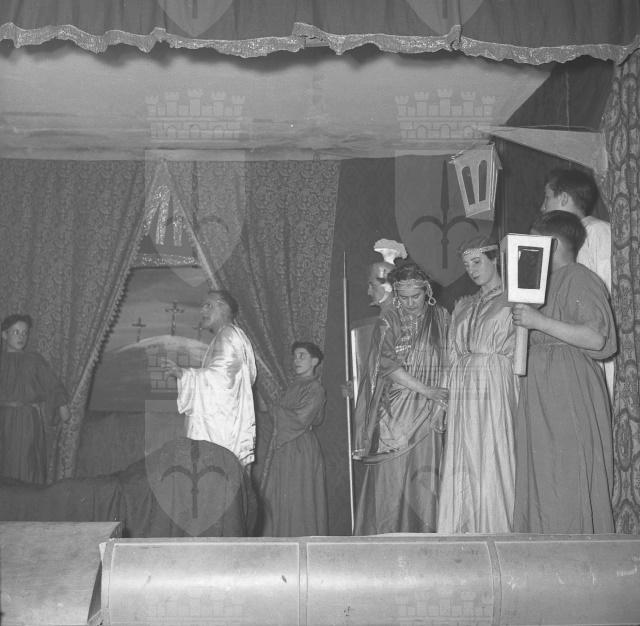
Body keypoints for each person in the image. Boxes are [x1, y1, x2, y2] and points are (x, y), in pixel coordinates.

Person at [512, 211, 616, 533]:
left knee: (566, 472)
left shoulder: (579, 277)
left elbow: (596, 338)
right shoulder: (540, 285)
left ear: (553, 244)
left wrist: (539, 322)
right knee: (542, 473)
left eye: (535, 242)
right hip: (541, 388)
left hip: (567, 388)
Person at [353, 263, 449, 535]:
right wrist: (427, 390)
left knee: (425, 478)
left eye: (415, 296)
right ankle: (385, 541)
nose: (410, 303)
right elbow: (386, 365)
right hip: (395, 412)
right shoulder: (390, 319)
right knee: (390, 479)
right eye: (403, 297)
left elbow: (449, 360)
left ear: (427, 291)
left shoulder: (442, 317)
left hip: (430, 411)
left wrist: (441, 403)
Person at [437, 237, 519, 534]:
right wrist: (442, 403)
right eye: (467, 264)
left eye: (477, 261)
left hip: (495, 385)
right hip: (463, 390)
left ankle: (498, 530)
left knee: (493, 453)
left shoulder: (514, 299)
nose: (471, 270)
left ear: (495, 260)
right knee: (465, 455)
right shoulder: (463, 305)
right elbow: (451, 355)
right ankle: (464, 530)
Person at [541, 168, 614, 399]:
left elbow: (610, 291)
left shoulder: (598, 232)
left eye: (547, 198)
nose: (542, 207)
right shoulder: (558, 244)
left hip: (594, 346)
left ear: (564, 198)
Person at [163, 290, 257, 467]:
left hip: (222, 429)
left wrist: (186, 375)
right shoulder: (227, 335)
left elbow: (223, 378)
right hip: (226, 421)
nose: (202, 311)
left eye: (208, 305)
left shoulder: (228, 335)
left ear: (224, 308)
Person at [259, 341, 328, 536]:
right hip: (285, 445)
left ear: (314, 361)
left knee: (298, 496)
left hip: (300, 448)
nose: (296, 360)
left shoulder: (315, 388)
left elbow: (299, 419)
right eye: (295, 356)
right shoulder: (294, 386)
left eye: (302, 356)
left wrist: (271, 408)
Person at [0, 313, 70, 484]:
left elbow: (52, 384)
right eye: (16, 332)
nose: (21, 337)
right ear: (4, 335)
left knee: (27, 463)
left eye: (25, 333)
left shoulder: (33, 360)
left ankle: (27, 498)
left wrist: (62, 407)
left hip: (27, 420)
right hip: (3, 419)